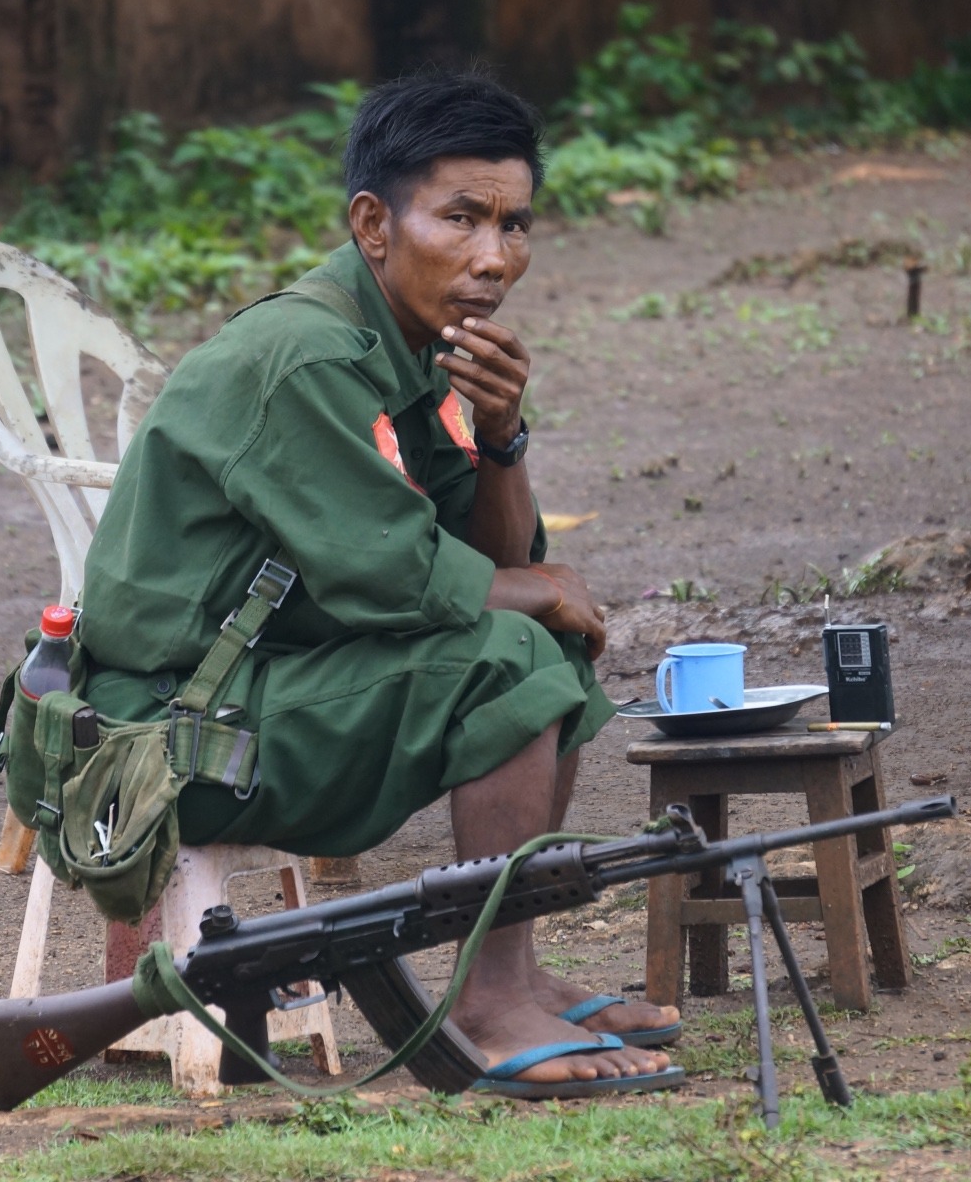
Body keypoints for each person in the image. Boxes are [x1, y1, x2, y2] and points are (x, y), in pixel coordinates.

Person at [77, 71, 680, 1095]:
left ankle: (511, 967)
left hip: (264, 685)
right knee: (507, 658)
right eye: (461, 217)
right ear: (373, 222)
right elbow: (402, 578)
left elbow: (489, 563)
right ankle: (488, 1007)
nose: (494, 257)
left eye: (514, 223)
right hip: (166, 735)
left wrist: (501, 436)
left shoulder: (408, 348)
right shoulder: (308, 355)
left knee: (541, 645)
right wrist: (537, 592)